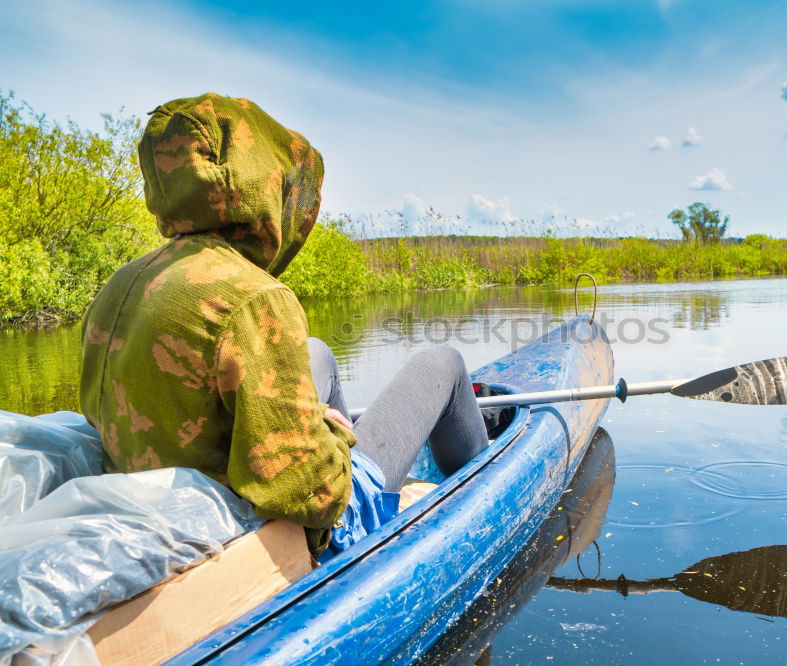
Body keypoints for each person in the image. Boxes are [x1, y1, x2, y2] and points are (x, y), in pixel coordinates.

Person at [80, 93, 488, 556]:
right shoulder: (254, 297)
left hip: (167, 502)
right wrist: (334, 434)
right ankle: (485, 496)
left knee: (317, 352)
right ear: (258, 181)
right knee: (443, 361)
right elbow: (312, 498)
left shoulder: (124, 281)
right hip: (282, 524)